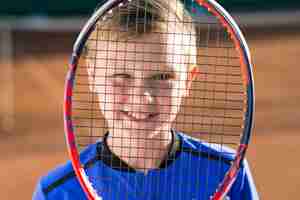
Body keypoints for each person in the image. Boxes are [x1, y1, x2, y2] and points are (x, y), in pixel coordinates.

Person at [33, 0, 259, 199]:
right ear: (92, 76)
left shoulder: (228, 174)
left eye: (162, 77)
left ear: (188, 81)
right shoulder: (56, 193)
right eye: (121, 77)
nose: (142, 98)